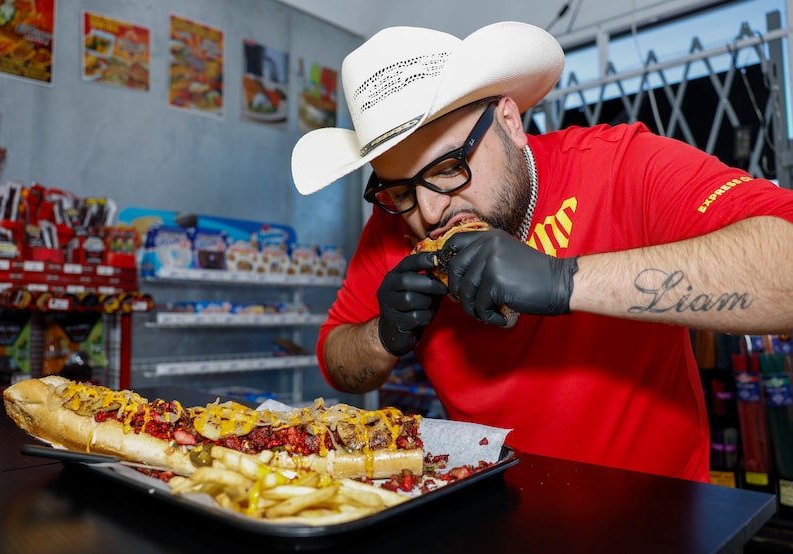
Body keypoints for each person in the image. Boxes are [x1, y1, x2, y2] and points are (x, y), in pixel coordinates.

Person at [290, 21, 793, 482]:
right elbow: (336, 361)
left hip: (657, 514)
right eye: (401, 190)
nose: (428, 211)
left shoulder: (620, 166)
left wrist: (564, 280)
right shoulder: (392, 223)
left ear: (508, 121)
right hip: (489, 509)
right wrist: (384, 334)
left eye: (448, 168)